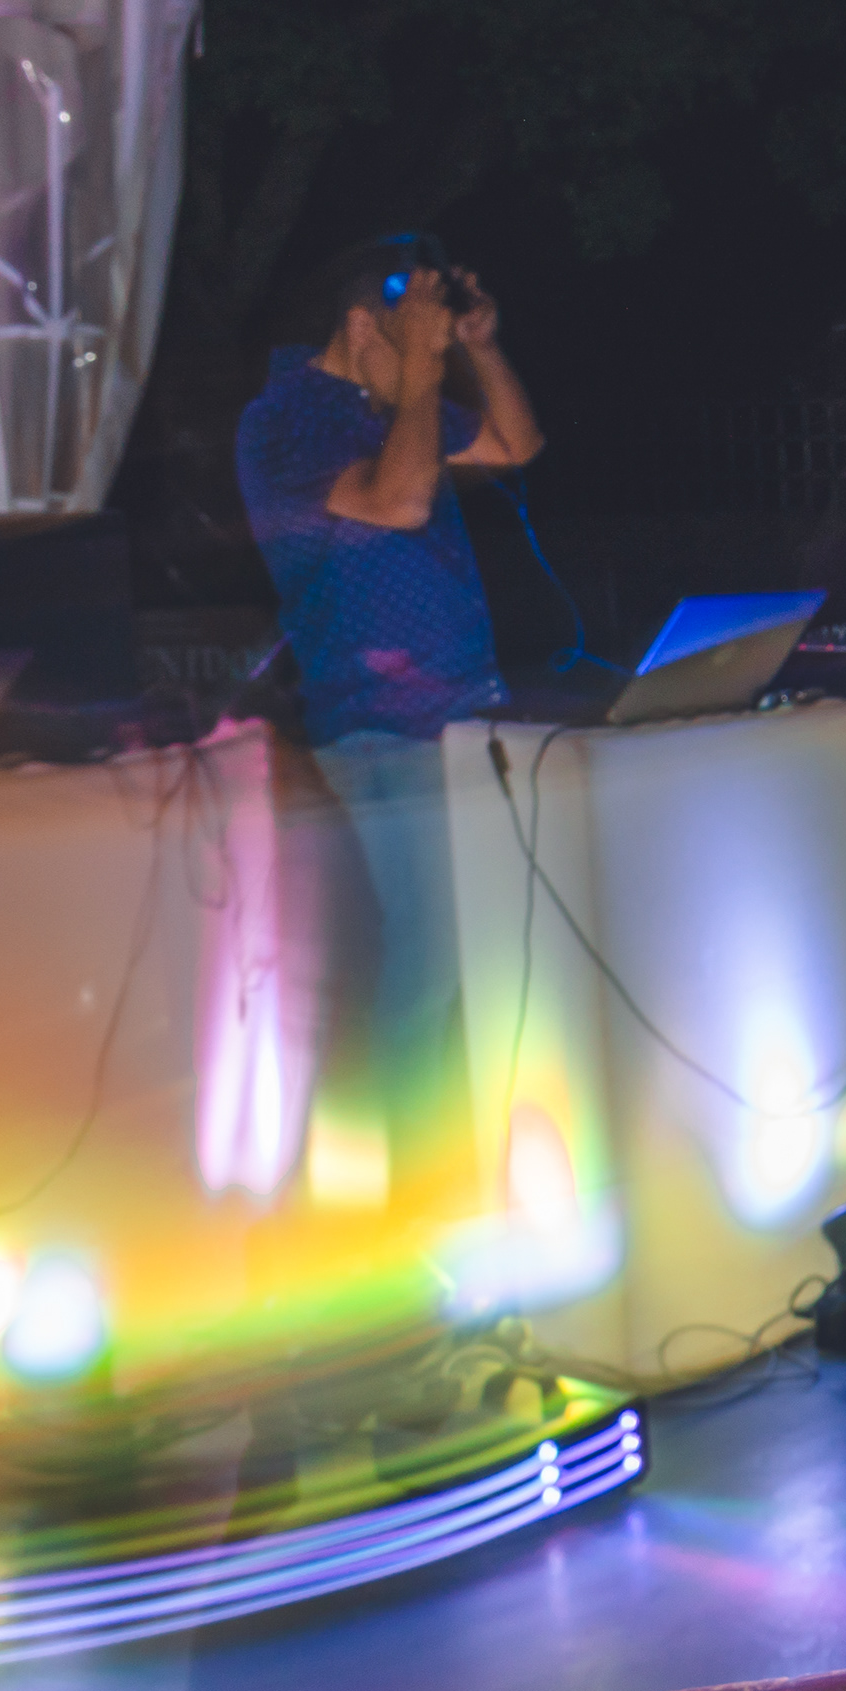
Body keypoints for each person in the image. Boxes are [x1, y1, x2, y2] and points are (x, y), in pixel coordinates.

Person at [235, 234, 543, 1138]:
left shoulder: (398, 401)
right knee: (430, 951)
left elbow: (515, 442)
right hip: (376, 728)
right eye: (419, 343)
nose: (431, 364)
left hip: (461, 715)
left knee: (476, 948)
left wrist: (478, 348)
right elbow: (398, 502)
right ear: (364, 326)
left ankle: (458, 1143)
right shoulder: (285, 416)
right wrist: (421, 371)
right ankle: (409, 1167)